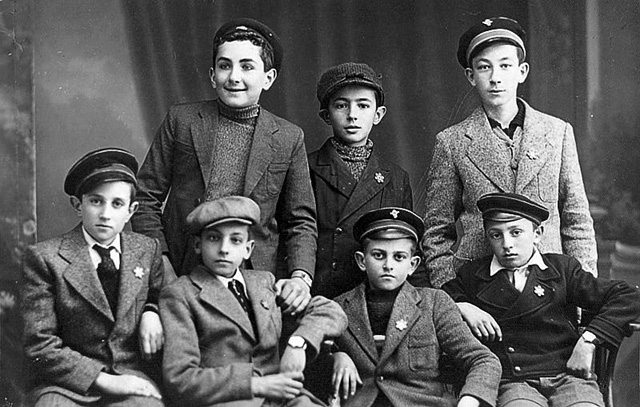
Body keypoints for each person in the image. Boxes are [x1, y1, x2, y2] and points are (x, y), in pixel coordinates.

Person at [132, 18, 317, 315]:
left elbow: (300, 220)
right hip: (182, 271)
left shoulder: (288, 137)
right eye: (224, 65)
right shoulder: (182, 121)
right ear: (211, 75)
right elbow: (145, 198)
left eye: (247, 66)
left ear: (268, 78)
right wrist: (162, 263)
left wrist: (300, 277)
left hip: (254, 279)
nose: (233, 77)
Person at [422, 16, 597, 288]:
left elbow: (577, 223)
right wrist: (452, 298)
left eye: (505, 65)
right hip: (479, 291)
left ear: (522, 71)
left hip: (551, 287)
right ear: (470, 76)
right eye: (484, 67)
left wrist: (583, 292)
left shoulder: (557, 133)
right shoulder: (452, 142)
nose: (495, 78)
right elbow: (436, 233)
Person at [442, 192, 640, 407]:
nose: (507, 244)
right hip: (515, 382)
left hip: (569, 376)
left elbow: (628, 295)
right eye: (496, 235)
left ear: (537, 234)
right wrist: (464, 306)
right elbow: (439, 299)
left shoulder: (562, 270)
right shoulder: (474, 276)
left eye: (516, 232)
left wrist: (589, 340)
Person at [159, 196, 347, 406]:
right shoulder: (181, 294)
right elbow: (180, 379)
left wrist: (298, 343)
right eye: (213, 238)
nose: (224, 249)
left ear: (248, 249)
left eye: (235, 240)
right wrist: (257, 385)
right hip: (227, 400)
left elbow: (330, 311)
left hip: (283, 400)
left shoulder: (263, 283)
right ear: (197, 245)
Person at [22, 148, 167, 406]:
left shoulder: (147, 250)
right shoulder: (45, 258)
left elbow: (157, 293)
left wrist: (152, 311)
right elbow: (40, 345)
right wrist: (106, 380)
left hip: (130, 376)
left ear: (132, 211)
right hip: (66, 384)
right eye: (96, 201)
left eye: (117, 204)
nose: (105, 214)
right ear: (78, 205)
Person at [330, 207, 501, 407]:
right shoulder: (339, 307)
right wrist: (335, 357)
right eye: (378, 255)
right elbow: (313, 358)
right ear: (361, 261)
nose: (388, 265)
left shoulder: (434, 303)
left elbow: (482, 360)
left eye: (399, 257)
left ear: (413, 264)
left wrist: (469, 401)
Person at [308, 62, 413, 299]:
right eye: (341, 105)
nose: (352, 115)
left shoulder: (395, 178)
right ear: (326, 115)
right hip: (321, 295)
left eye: (363, 105)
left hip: (376, 297)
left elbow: (407, 245)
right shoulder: (305, 168)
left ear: (378, 114)